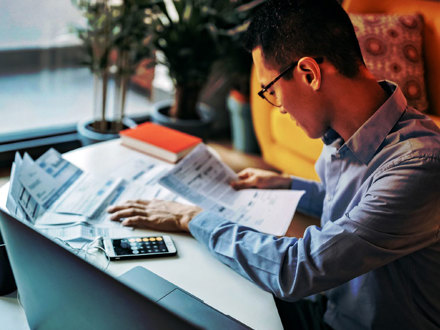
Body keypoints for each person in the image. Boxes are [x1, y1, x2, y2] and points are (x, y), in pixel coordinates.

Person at [107, 0, 440, 328]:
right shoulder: (346, 132)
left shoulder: (418, 166)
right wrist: (287, 185)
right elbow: (350, 202)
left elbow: (299, 270)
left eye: (271, 90)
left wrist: (190, 218)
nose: (278, 107)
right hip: (328, 305)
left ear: (309, 73)